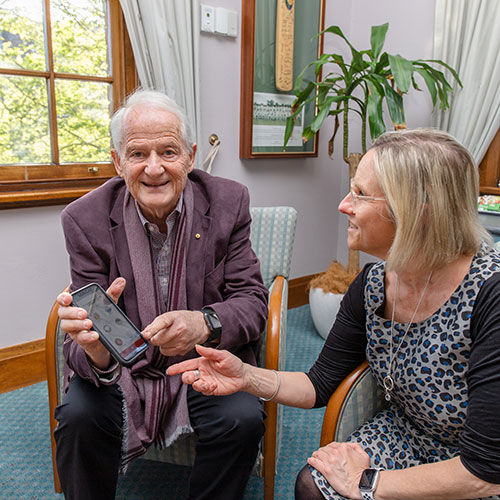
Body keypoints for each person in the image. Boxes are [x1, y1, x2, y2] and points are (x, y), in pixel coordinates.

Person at [168, 128, 500, 500]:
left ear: (415, 211)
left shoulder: (492, 294)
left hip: (476, 465)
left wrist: (368, 483)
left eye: (360, 193)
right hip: (408, 434)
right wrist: (245, 376)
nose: (344, 205)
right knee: (313, 484)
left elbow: (484, 472)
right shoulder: (374, 284)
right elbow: (319, 384)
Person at [54, 89, 268, 500]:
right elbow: (81, 347)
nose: (154, 169)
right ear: (118, 162)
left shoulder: (228, 202)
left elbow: (253, 302)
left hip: (204, 360)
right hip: (122, 367)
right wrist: (98, 350)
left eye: (168, 152)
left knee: (241, 418)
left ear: (189, 156)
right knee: (79, 417)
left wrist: (203, 322)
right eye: (138, 154)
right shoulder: (84, 220)